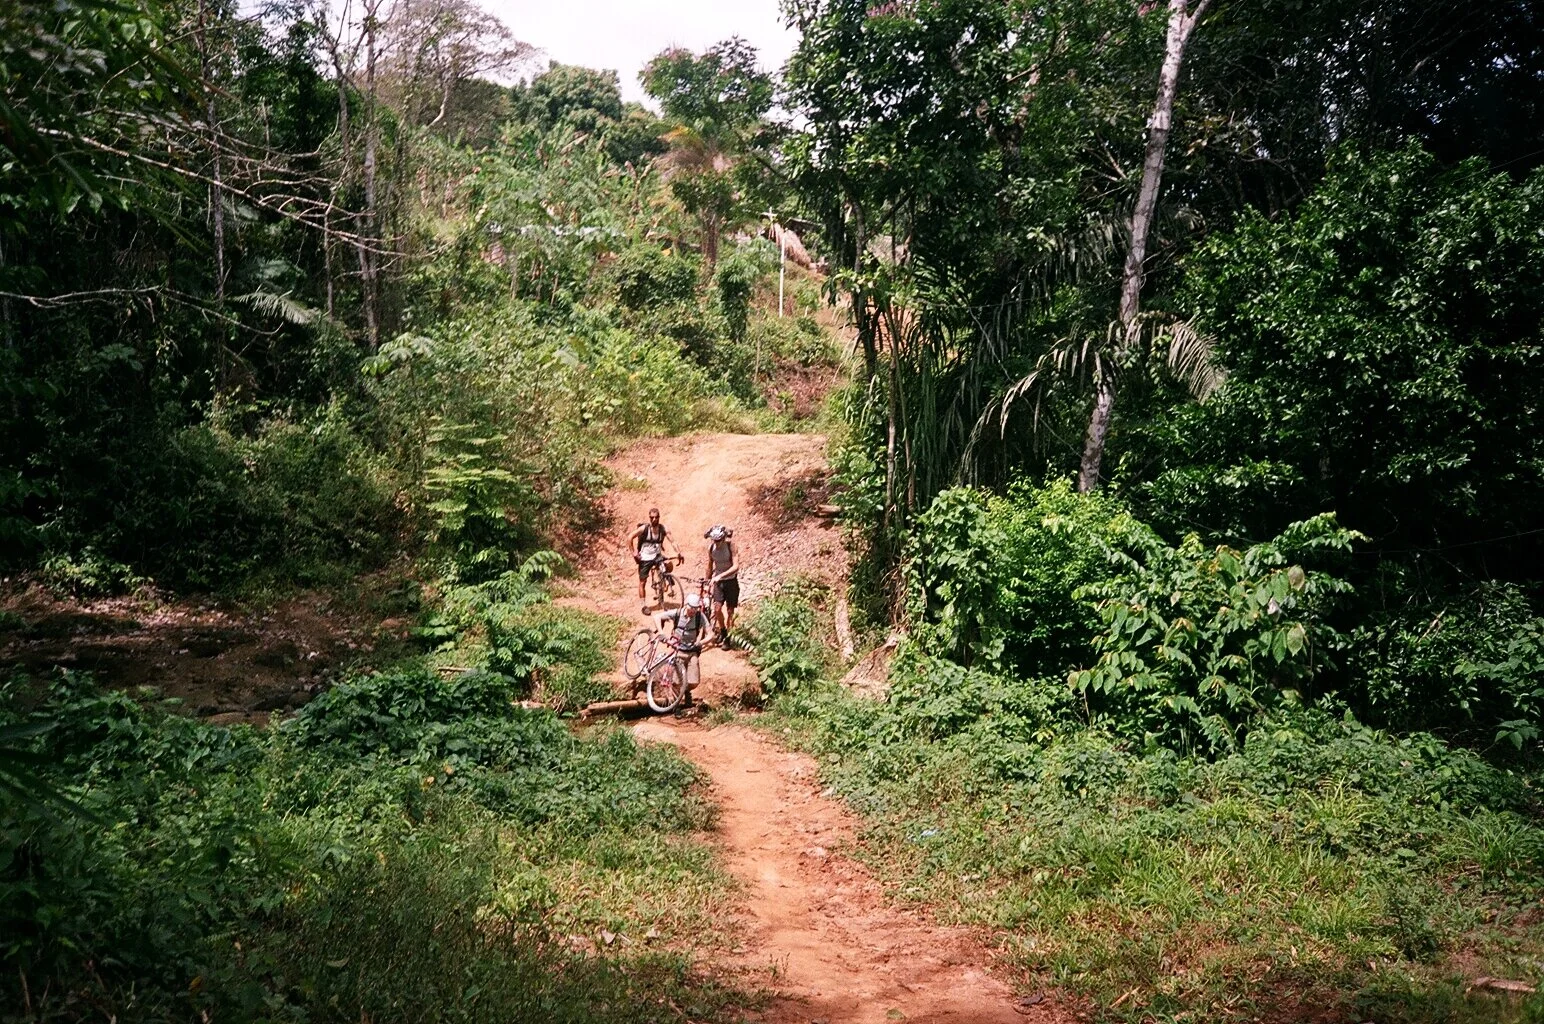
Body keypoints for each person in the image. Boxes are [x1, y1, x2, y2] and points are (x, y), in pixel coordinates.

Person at [653, 591, 712, 705]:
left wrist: (701, 642)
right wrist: (661, 633)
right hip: (677, 650)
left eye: (696, 608)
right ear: (686, 605)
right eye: (691, 608)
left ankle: (686, 692)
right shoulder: (677, 613)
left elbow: (711, 634)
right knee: (676, 681)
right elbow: (657, 617)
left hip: (692, 651)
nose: (693, 611)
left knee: (694, 681)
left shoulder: (700, 616)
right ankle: (676, 706)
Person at [630, 508, 680, 608]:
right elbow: (630, 537)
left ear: (659, 518)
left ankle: (665, 581)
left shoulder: (663, 529)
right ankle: (643, 605)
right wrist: (634, 552)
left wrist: (678, 552)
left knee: (668, 566)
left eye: (656, 517)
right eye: (652, 517)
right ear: (649, 518)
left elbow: (672, 541)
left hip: (657, 555)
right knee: (642, 582)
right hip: (645, 558)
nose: (654, 520)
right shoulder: (644, 529)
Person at [705, 523, 739, 638]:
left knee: (730, 611)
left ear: (723, 538)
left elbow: (735, 566)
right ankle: (723, 631)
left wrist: (721, 576)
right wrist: (707, 581)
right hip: (718, 583)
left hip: (731, 581)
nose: (716, 543)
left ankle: (730, 636)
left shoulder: (731, 546)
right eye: (714, 540)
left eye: (719, 540)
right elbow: (709, 565)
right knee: (717, 608)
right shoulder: (711, 549)